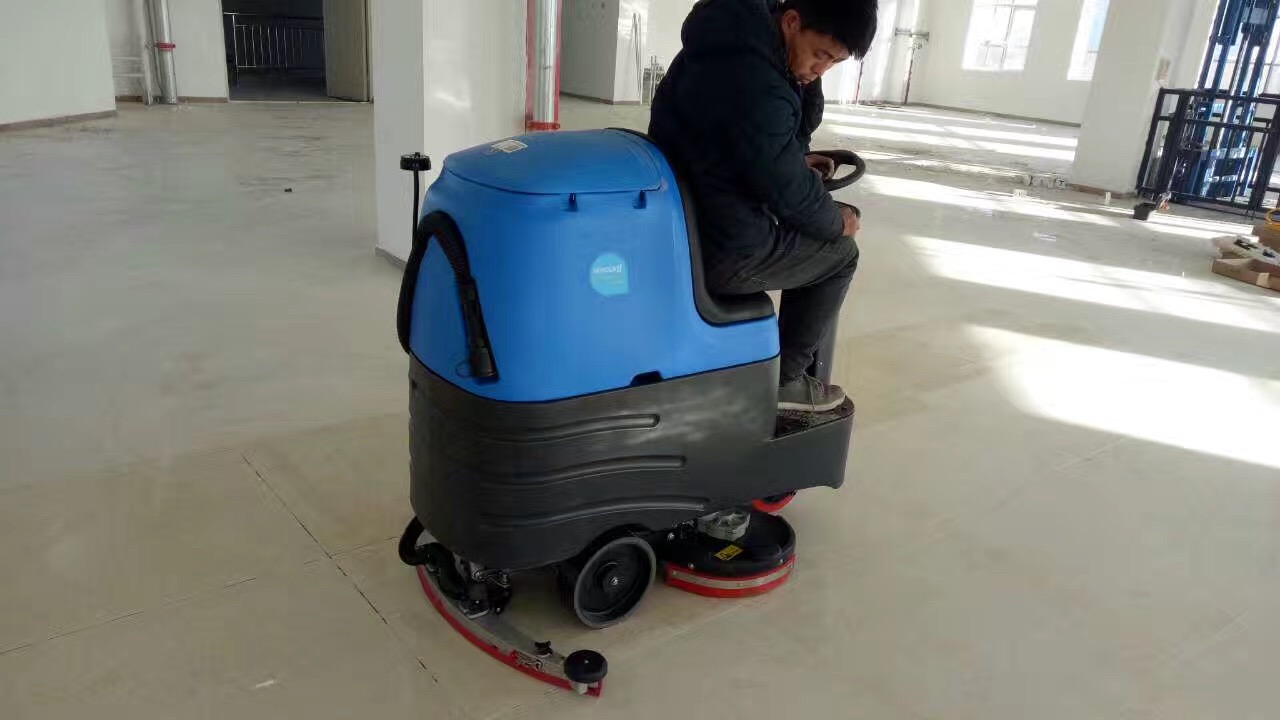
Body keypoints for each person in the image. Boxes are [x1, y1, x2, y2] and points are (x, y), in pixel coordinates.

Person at [649, 0, 877, 412]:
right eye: (820, 54)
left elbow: (749, 143)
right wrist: (836, 222)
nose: (821, 69)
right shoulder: (761, 81)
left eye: (834, 62)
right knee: (841, 253)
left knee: (814, 218)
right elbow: (790, 194)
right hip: (725, 250)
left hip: (684, 223)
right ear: (791, 22)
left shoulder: (727, 43)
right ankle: (784, 383)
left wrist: (794, 157)